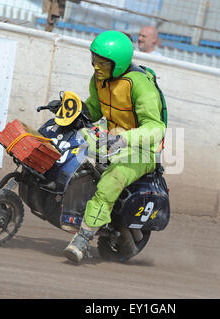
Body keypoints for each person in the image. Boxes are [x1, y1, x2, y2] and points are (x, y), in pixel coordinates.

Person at [63, 30, 166, 263]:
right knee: (69, 144)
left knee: (112, 179)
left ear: (118, 63)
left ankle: (83, 238)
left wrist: (125, 139)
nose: (96, 67)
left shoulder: (140, 85)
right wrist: (71, 108)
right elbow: (94, 109)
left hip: (142, 150)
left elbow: (156, 128)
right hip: (111, 140)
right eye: (94, 60)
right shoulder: (99, 79)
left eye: (102, 63)